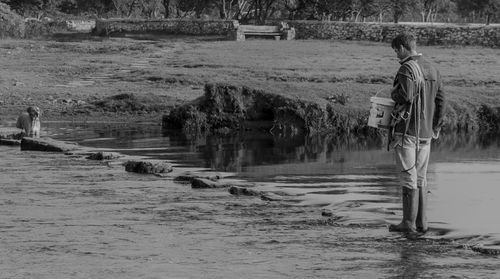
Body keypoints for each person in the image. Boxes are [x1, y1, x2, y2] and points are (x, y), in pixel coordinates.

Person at [388, 33, 446, 234]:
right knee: (421, 178)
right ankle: (422, 223)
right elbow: (441, 101)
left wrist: (392, 93)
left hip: (407, 131)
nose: (396, 54)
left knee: (408, 177)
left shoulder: (406, 68)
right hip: (426, 133)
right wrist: (436, 127)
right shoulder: (432, 68)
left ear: (404, 47)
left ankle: (408, 223)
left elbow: (405, 95)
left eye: (396, 50)